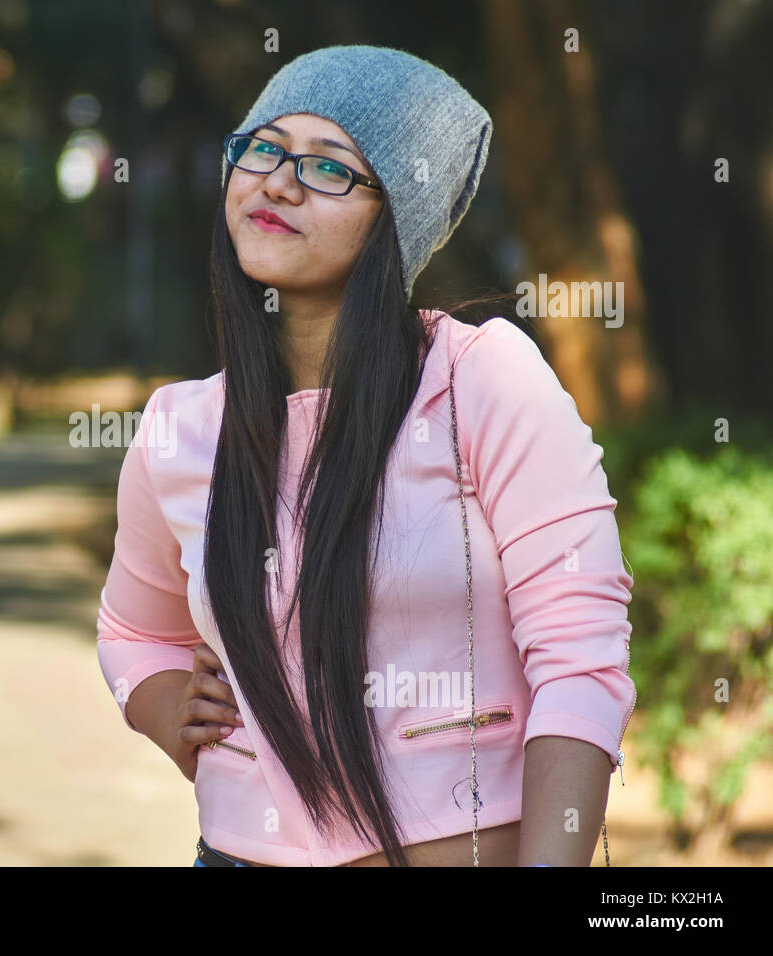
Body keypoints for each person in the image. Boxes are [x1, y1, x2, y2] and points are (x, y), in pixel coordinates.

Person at [95, 45, 636, 867]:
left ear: (398, 218)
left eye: (330, 167)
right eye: (264, 148)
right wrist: (169, 709)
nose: (278, 182)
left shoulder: (479, 380)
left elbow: (580, 661)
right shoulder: (181, 426)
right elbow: (133, 631)